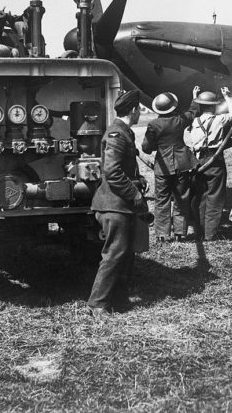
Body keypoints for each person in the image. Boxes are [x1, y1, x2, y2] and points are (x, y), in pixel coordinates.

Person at [87, 89, 146, 318]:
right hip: (114, 204)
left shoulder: (123, 131)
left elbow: (122, 167)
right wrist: (134, 193)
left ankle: (117, 298)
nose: (140, 112)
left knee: (125, 252)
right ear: (133, 110)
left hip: (120, 204)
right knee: (114, 253)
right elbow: (111, 171)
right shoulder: (117, 134)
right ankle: (97, 305)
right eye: (139, 109)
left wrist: (137, 179)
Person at [141, 87, 200, 242]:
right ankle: (180, 233)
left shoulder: (153, 125)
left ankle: (162, 234)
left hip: (162, 167)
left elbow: (146, 148)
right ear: (173, 106)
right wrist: (194, 97)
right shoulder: (179, 120)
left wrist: (158, 146)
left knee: (161, 200)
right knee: (182, 198)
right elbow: (193, 112)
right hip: (182, 164)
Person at [189, 86, 232, 241]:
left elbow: (192, 113)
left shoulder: (194, 121)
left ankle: (200, 232)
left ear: (200, 106)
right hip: (215, 160)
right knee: (215, 197)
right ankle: (210, 234)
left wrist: (194, 97)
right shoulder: (219, 119)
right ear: (214, 106)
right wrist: (227, 96)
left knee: (200, 196)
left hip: (198, 160)